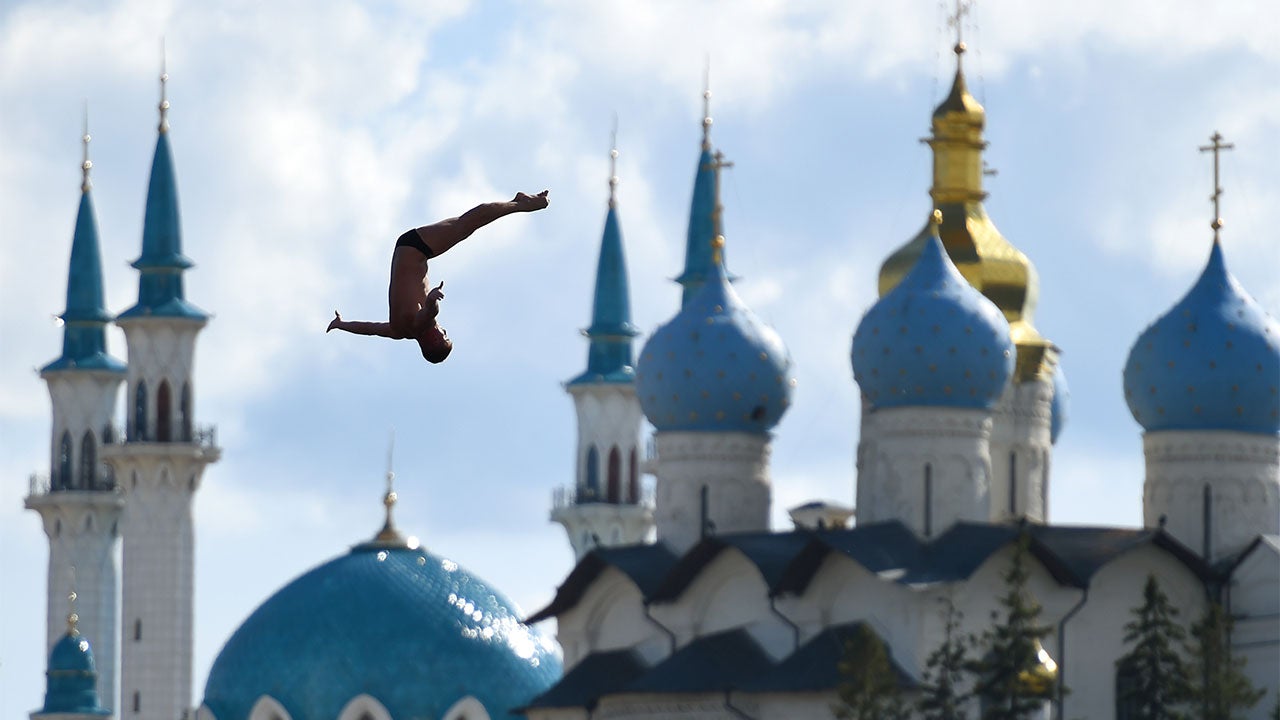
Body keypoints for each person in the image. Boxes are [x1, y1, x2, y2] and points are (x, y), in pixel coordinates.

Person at [327, 190, 550, 363]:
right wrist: (342, 324)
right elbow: (368, 329)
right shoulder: (397, 332)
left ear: (435, 339)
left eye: (445, 335)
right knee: (464, 225)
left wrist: (433, 298)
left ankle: (521, 204)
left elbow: (430, 311)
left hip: (416, 249)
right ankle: (514, 204)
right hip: (407, 249)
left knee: (466, 225)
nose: (443, 330)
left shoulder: (422, 324)